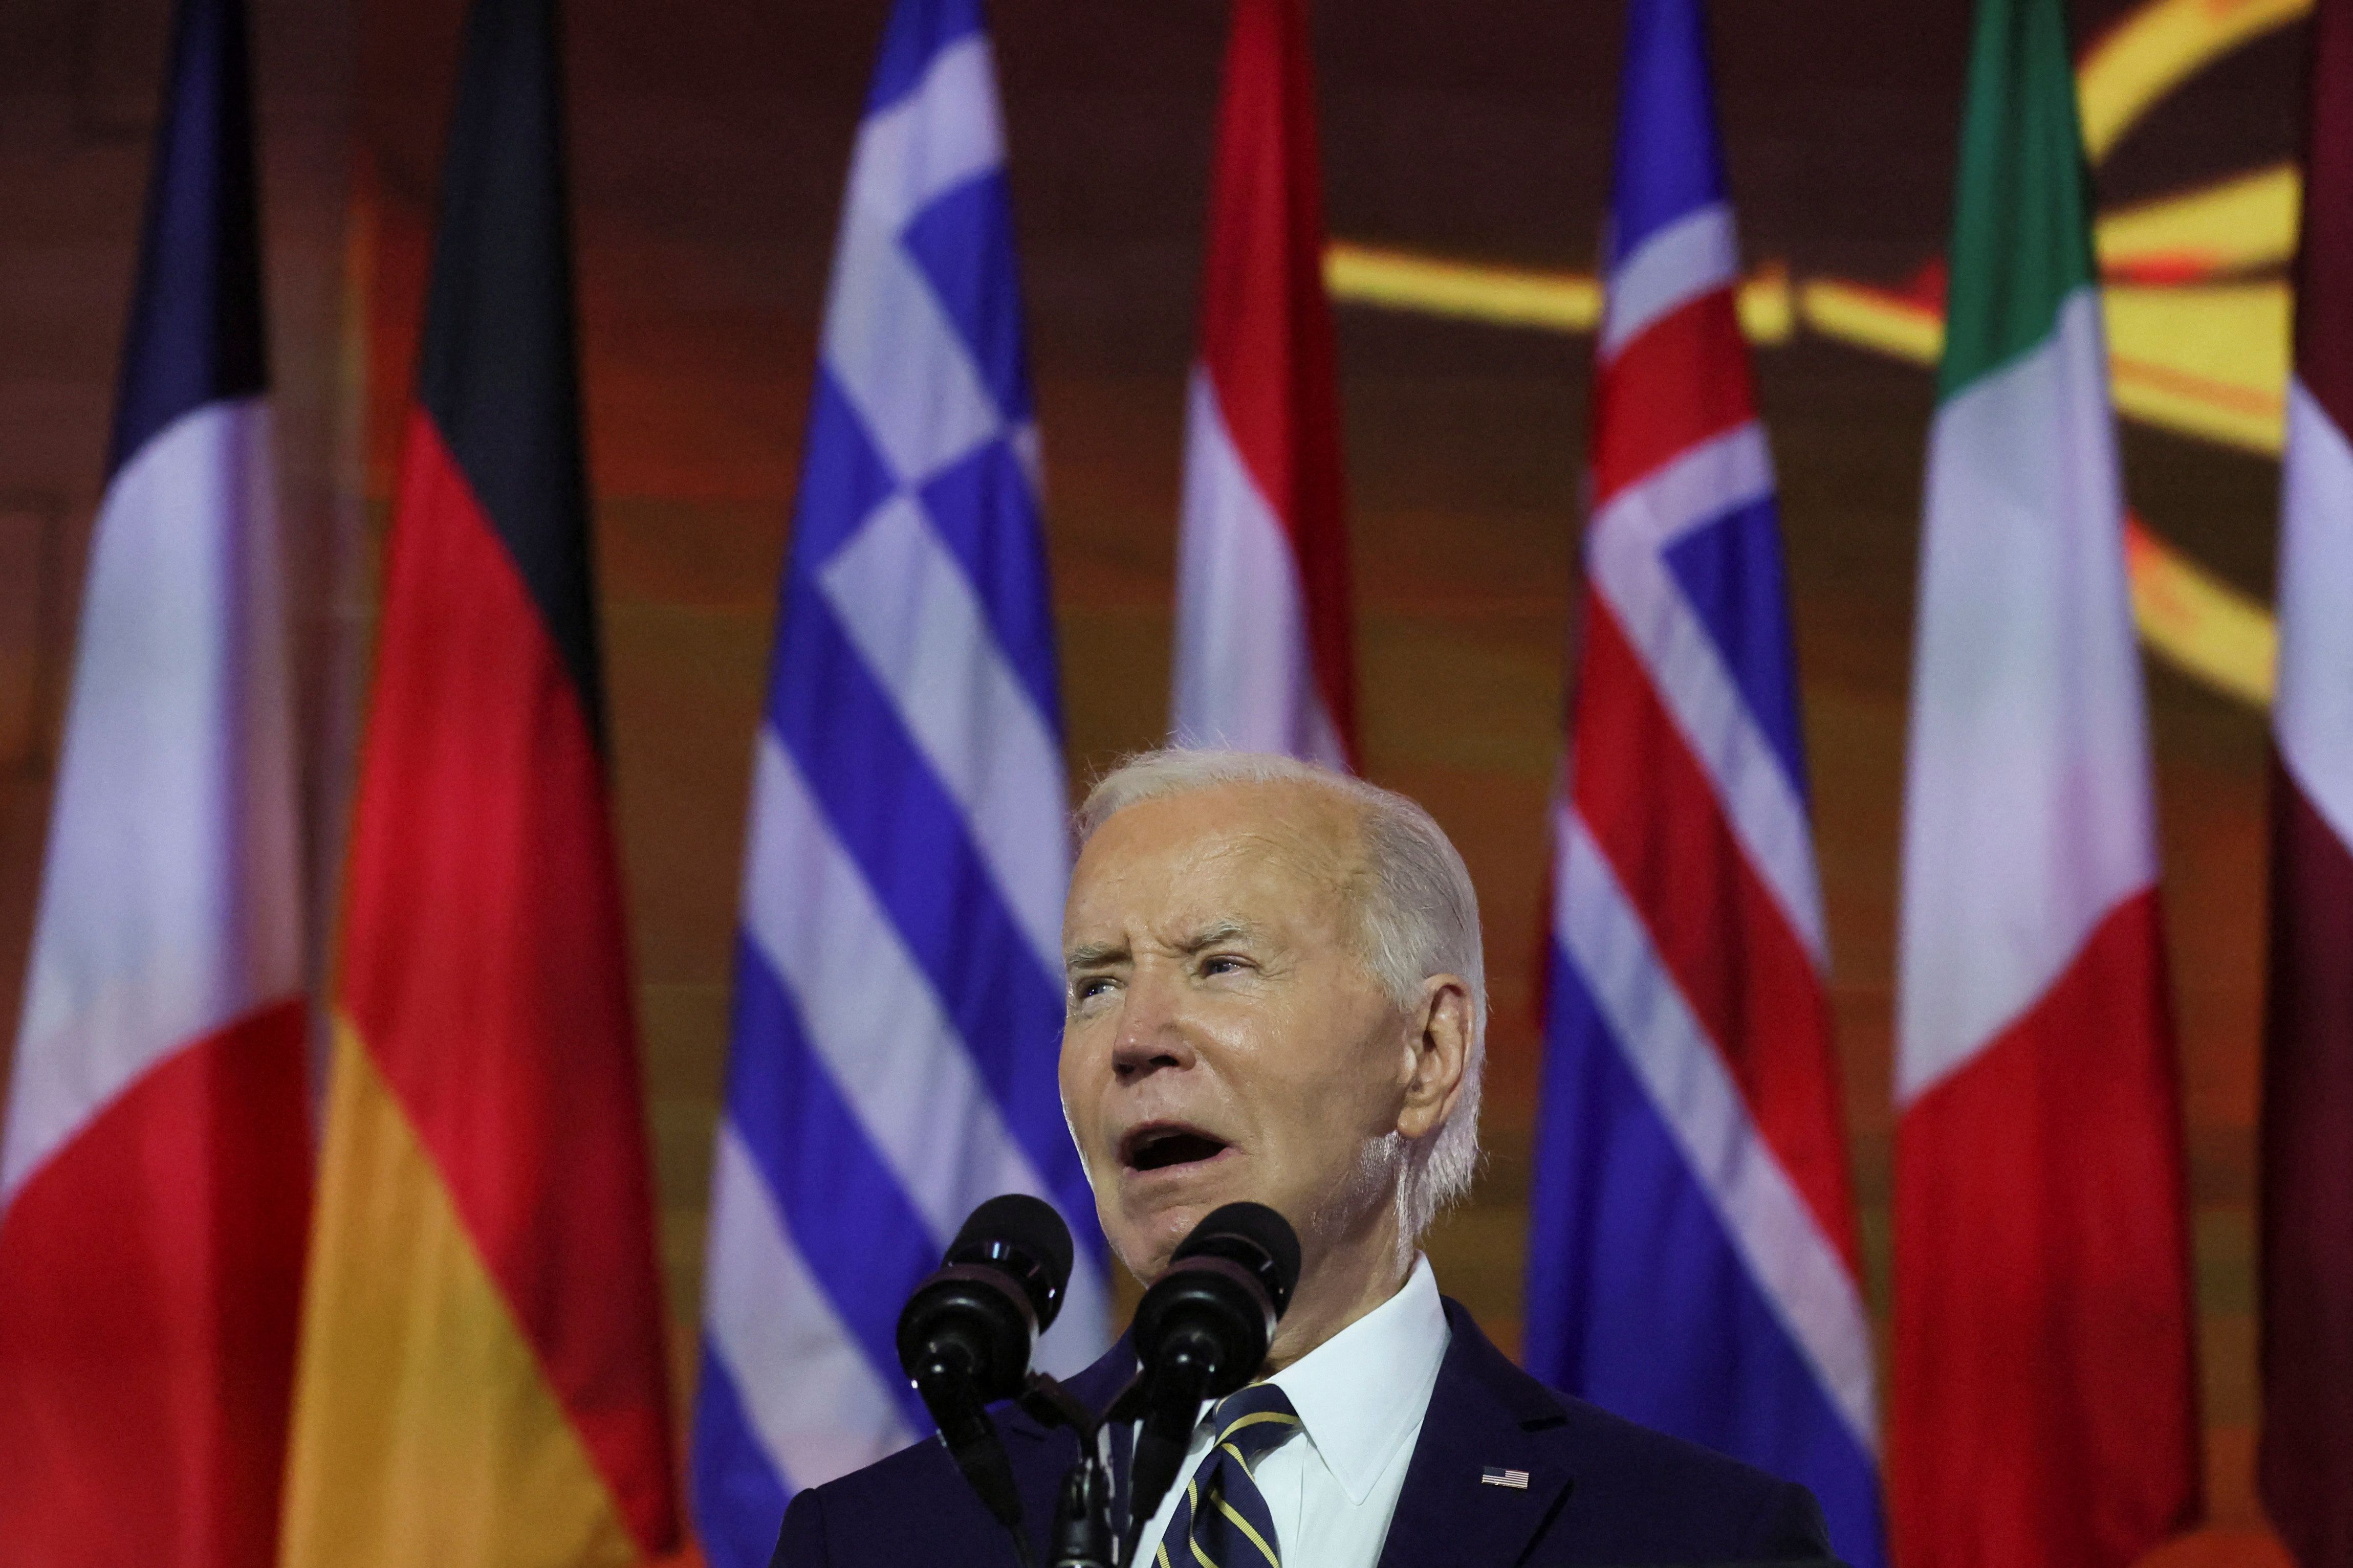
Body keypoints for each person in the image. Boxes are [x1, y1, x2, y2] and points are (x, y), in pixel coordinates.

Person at [773, 749, 1834, 1567]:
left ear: (1425, 1054)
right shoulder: (881, 1541)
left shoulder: (1692, 1542)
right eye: (1095, 982)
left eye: (1220, 965)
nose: (1134, 1037)